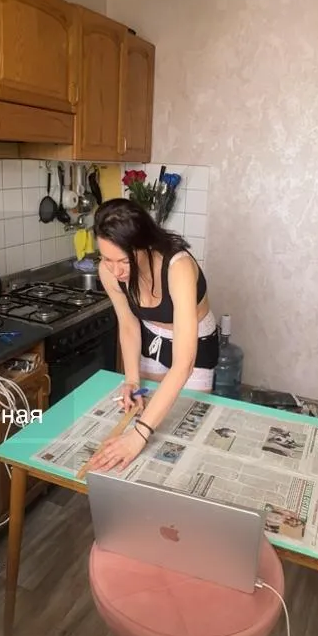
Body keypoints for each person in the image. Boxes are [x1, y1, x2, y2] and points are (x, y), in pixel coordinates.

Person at [84, 199, 219, 473]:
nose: (116, 271)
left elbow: (183, 364)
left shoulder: (178, 267)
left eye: (124, 261)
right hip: (150, 336)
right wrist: (131, 380)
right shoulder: (109, 272)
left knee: (183, 426)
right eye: (107, 259)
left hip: (194, 340)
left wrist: (139, 435)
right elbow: (128, 324)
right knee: (143, 406)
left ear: (145, 245)